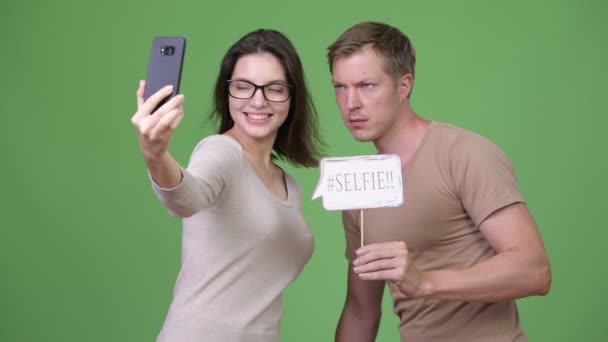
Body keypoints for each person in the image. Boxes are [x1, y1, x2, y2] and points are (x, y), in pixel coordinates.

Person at [327, 21, 551, 342]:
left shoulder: (464, 154)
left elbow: (535, 271)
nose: (351, 104)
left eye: (367, 85)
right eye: (340, 87)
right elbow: (361, 311)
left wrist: (424, 282)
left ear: (403, 86)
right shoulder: (361, 186)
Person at [131, 29, 323, 342]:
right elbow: (185, 197)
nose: (257, 100)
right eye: (243, 87)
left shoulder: (289, 184)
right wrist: (155, 155)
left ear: (292, 97)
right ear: (227, 93)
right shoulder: (221, 152)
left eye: (274, 88)